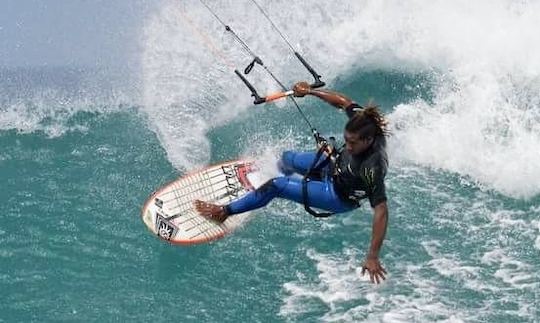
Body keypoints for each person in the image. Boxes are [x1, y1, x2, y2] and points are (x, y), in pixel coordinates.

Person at [195, 81, 389, 284]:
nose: (347, 146)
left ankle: (224, 212)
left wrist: (373, 256)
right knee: (287, 158)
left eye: (353, 143)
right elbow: (344, 102)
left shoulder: (372, 167)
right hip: (332, 167)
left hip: (337, 194)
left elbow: (381, 210)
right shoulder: (364, 124)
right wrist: (311, 92)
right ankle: (265, 183)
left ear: (368, 140)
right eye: (346, 140)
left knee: (278, 185)